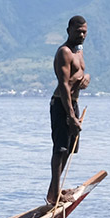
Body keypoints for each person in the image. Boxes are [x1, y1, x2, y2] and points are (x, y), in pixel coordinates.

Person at [47, 15, 89, 208]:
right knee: (60, 149)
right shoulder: (64, 52)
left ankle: (54, 191)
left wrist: (86, 78)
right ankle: (54, 195)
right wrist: (71, 116)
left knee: (70, 149)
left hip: (74, 102)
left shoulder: (79, 51)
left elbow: (77, 75)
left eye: (84, 32)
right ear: (68, 31)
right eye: (78, 31)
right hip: (62, 105)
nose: (81, 35)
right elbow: (63, 85)